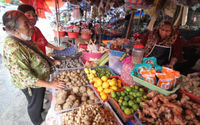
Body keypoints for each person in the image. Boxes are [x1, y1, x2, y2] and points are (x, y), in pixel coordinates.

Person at [2, 10, 65, 125]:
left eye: (29, 22)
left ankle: (40, 110)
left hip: (40, 79)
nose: (31, 26)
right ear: (15, 30)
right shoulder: (13, 48)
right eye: (26, 24)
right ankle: (38, 121)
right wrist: (50, 84)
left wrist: (51, 61)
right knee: (34, 104)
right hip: (32, 84)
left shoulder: (24, 39)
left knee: (39, 99)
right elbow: (25, 78)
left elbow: (38, 54)